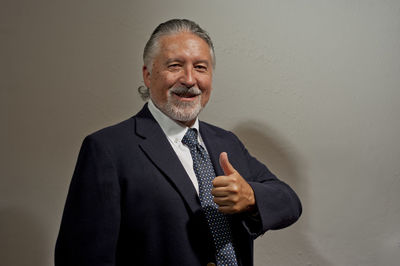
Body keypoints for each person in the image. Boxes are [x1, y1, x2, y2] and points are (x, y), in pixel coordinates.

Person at [55, 19, 302, 266]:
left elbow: (289, 202)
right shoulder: (107, 149)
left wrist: (251, 197)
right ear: (148, 75)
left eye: (201, 68)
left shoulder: (226, 142)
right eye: (175, 66)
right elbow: (81, 258)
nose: (189, 79)